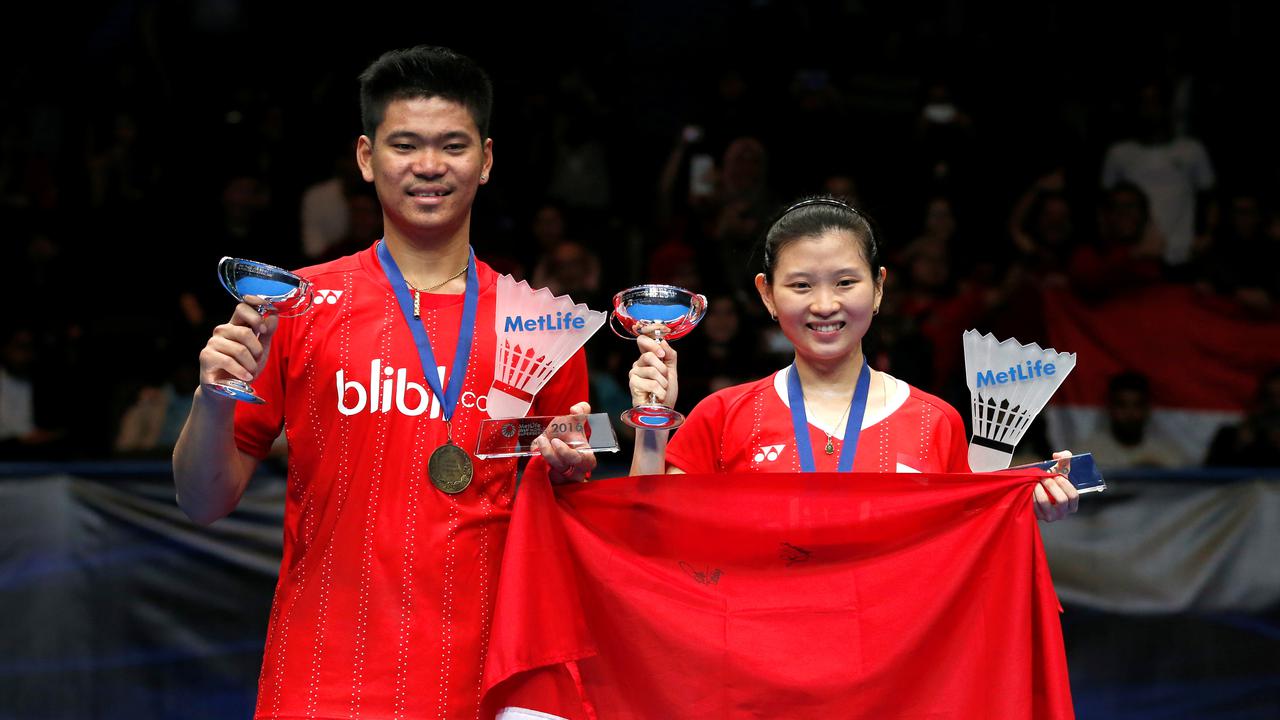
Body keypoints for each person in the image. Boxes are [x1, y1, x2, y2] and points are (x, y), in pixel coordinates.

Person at [173, 46, 594, 719]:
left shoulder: (542, 324)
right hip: (319, 683)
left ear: (485, 161)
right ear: (367, 158)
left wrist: (572, 470)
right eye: (406, 145)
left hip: (485, 683)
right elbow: (202, 500)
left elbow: (567, 502)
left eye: (452, 145)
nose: (429, 165)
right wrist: (212, 399)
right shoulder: (296, 304)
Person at [624, 196, 1078, 522]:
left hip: (892, 653)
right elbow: (651, 528)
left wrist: (1030, 506)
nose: (824, 305)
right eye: (801, 286)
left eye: (845, 283)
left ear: (879, 287)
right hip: (757, 649)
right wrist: (652, 426)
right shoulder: (722, 417)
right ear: (767, 294)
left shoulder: (935, 423)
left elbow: (967, 550)